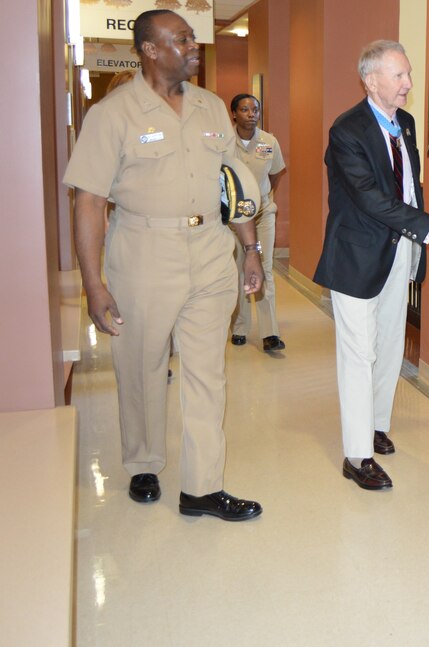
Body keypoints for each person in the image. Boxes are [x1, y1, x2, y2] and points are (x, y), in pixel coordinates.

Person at [64, 9, 265, 522]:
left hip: (211, 251)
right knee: (142, 366)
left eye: (193, 39)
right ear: (150, 50)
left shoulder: (212, 108)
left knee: (208, 372)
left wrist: (251, 250)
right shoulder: (112, 115)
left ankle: (202, 487)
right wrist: (94, 284)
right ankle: (143, 462)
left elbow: (232, 185)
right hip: (144, 252)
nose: (194, 47)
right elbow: (87, 202)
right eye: (182, 40)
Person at [313, 40, 429, 490]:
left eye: (408, 75)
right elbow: (369, 198)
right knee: (359, 353)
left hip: (401, 248)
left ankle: (376, 423)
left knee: (388, 345)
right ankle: (356, 453)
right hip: (358, 254)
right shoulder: (347, 131)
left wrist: (419, 236)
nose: (408, 85)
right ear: (371, 81)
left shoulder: (406, 123)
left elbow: (407, 188)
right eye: (399, 76)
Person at [228, 93, 287, 353]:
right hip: (233, 219)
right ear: (234, 114)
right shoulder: (225, 142)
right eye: (245, 109)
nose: (251, 114)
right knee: (239, 269)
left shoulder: (269, 142)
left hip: (263, 214)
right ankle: (240, 328)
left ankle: (270, 332)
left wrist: (261, 198)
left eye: (255, 109)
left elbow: (275, 174)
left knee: (265, 268)